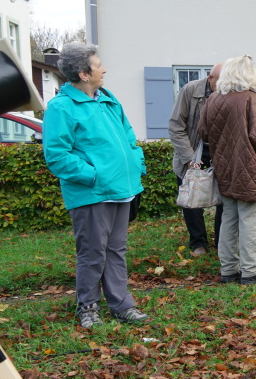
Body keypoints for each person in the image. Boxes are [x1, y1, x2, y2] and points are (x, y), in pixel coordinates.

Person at [43, 43, 149, 328]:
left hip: (122, 190)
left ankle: (121, 305)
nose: (104, 70)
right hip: (92, 194)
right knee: (92, 254)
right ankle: (88, 307)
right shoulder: (61, 107)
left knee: (116, 251)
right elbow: (57, 155)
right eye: (98, 65)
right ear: (84, 74)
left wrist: (136, 162)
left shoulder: (108, 99)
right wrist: (94, 175)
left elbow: (129, 136)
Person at [200, 55, 256, 285]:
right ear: (249, 75)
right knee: (249, 221)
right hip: (250, 170)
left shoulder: (213, 99)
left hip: (225, 169)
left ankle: (228, 270)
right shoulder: (252, 99)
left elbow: (204, 133)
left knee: (228, 219)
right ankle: (251, 271)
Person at [168, 63, 224, 257]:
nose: (224, 86)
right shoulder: (190, 90)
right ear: (210, 78)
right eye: (221, 81)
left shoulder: (228, 91)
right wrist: (189, 157)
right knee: (191, 197)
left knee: (224, 197)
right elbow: (176, 126)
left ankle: (222, 242)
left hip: (219, 152)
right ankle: (198, 242)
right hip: (192, 149)